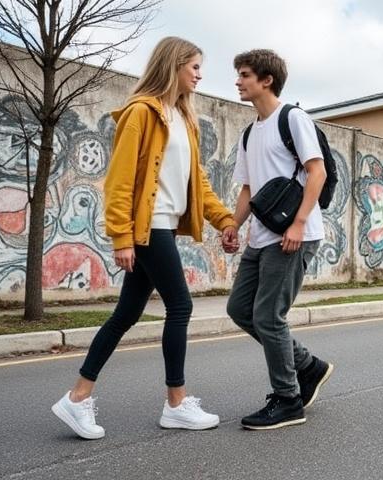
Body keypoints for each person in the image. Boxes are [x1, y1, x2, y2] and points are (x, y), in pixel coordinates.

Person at [51, 37, 239, 440]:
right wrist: (121, 236)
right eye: (195, 66)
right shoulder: (140, 114)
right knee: (180, 306)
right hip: (147, 226)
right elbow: (119, 182)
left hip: (164, 226)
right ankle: (176, 403)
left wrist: (224, 219)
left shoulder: (183, 120)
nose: (200, 75)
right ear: (174, 66)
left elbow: (197, 184)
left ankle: (78, 397)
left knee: (126, 314)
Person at [223, 49, 333, 430]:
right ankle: (306, 365)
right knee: (240, 310)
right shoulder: (250, 132)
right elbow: (248, 187)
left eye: (245, 74)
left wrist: (299, 223)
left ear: (266, 80)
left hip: (293, 234)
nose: (238, 81)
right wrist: (233, 224)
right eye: (238, 75)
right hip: (262, 235)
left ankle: (288, 400)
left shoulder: (293, 118)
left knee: (269, 317)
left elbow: (315, 173)